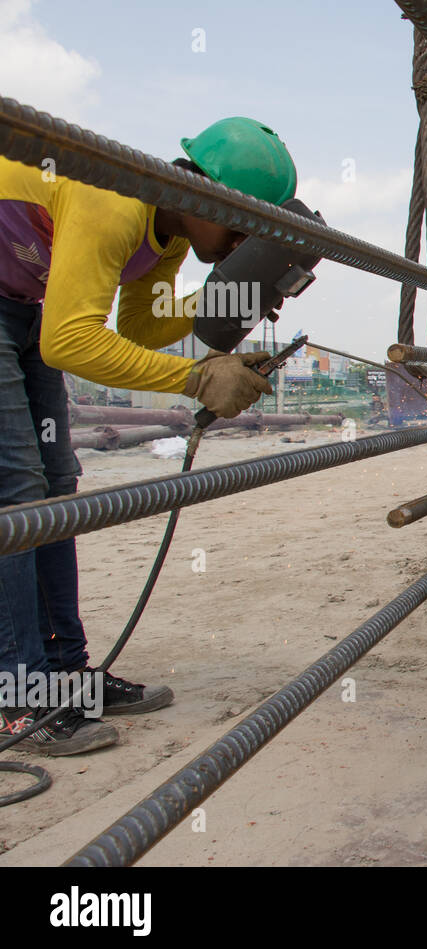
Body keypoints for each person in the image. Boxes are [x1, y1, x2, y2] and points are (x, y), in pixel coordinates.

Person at [0, 117, 297, 756]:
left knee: (56, 487)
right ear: (205, 194)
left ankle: (64, 680)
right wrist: (197, 379)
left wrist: (237, 302)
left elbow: (139, 327)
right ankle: (15, 697)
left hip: (24, 305)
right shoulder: (115, 199)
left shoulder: (167, 236)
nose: (245, 238)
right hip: (22, 313)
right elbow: (70, 340)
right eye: (242, 221)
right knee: (17, 490)